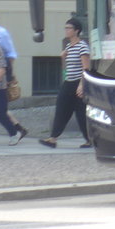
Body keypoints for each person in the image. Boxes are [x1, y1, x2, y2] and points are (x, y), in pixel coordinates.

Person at [40, 17, 91, 149]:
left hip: (78, 83)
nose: (66, 30)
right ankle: (53, 138)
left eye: (69, 28)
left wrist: (81, 85)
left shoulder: (82, 46)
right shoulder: (68, 46)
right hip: (68, 82)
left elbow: (85, 68)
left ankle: (89, 139)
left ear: (76, 30)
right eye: (66, 28)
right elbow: (66, 67)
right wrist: (63, 57)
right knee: (62, 108)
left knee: (81, 113)